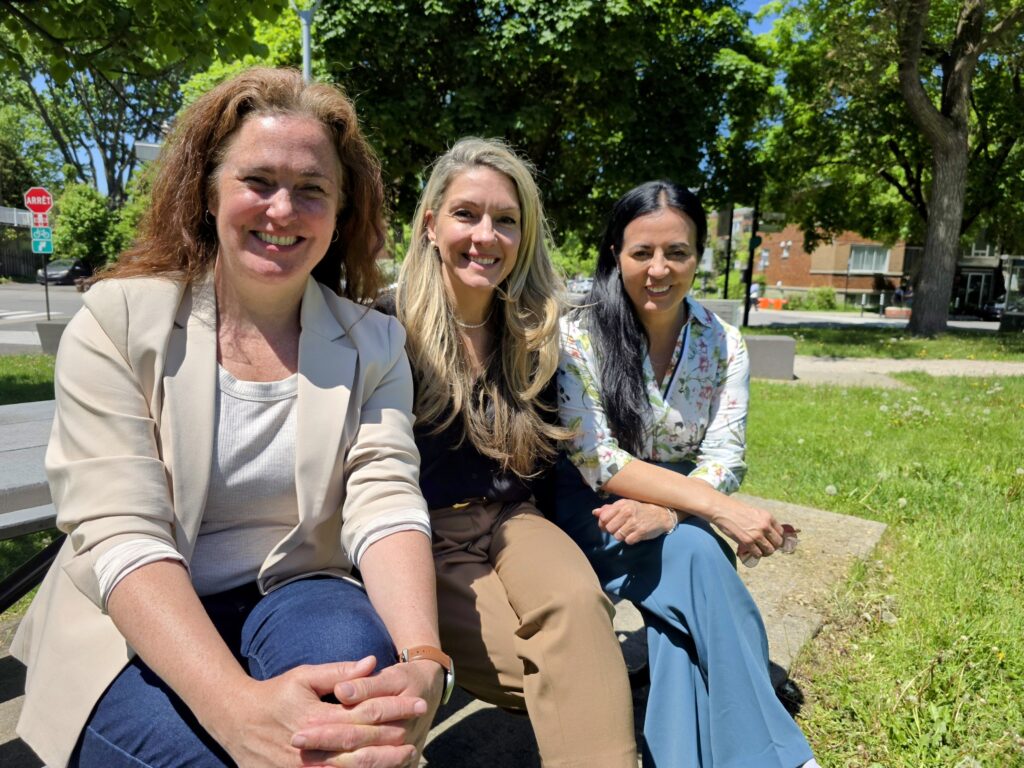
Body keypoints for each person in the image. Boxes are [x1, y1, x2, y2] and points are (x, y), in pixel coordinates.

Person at [12, 68, 446, 768]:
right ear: (209, 191)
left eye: (312, 189)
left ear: (340, 214)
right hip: (127, 627)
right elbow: (122, 533)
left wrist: (426, 662)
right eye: (259, 181)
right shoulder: (118, 322)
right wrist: (238, 714)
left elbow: (386, 500)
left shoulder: (376, 342)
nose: (283, 209)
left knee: (361, 726)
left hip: (298, 593)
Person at [384, 137, 638, 767]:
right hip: (426, 534)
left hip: (515, 519)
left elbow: (582, 450)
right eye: (466, 214)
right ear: (430, 224)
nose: (485, 236)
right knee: (557, 668)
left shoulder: (534, 330)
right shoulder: (384, 327)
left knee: (578, 611)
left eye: (506, 220)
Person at [554, 180, 820, 767]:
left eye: (677, 252)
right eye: (641, 253)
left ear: (698, 256)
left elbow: (726, 453)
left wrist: (674, 509)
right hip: (598, 511)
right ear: (615, 256)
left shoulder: (722, 341)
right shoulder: (576, 337)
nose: (660, 269)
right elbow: (600, 461)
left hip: (673, 514)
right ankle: (781, 756)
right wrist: (716, 509)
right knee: (701, 552)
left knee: (679, 626)